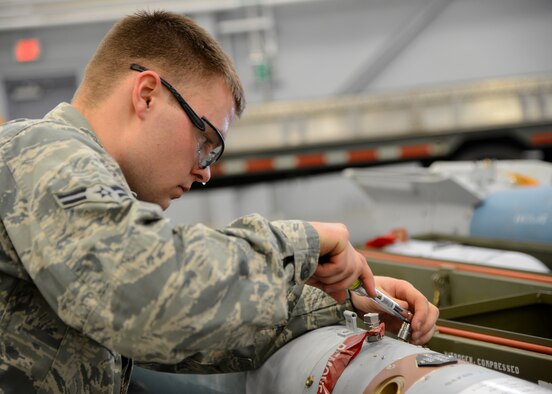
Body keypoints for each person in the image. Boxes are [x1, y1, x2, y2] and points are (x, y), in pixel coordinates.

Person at [0, 10, 438, 393]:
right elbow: (149, 290)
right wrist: (299, 243)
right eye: (205, 140)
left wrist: (350, 302)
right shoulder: (43, 153)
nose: (205, 170)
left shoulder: (66, 177)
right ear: (147, 94)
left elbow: (187, 330)